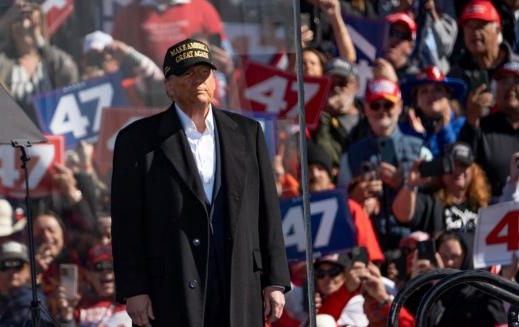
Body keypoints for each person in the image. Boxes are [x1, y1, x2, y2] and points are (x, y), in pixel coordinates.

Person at [111, 38, 290, 327]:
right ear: (168, 86)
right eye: (187, 73)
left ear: (215, 82)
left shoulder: (247, 133)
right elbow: (126, 223)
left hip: (238, 278)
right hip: (170, 285)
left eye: (204, 72)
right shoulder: (137, 141)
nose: (199, 80)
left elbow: (267, 211)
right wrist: (134, 288)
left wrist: (275, 281)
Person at [338, 79, 431, 253]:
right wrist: (356, 197)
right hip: (368, 247)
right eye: (375, 105)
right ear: (365, 108)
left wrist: (403, 185)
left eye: (388, 105)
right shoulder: (351, 154)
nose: (382, 111)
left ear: (400, 106)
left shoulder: (420, 149)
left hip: (412, 247)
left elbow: (433, 200)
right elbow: (341, 204)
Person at [393, 142, 491, 235]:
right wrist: (411, 185)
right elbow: (402, 215)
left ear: (473, 170)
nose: (458, 170)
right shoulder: (430, 200)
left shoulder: (481, 204)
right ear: (442, 168)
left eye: (463, 165)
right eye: (452, 165)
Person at [458, 61, 519, 198]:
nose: (510, 87)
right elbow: (460, 164)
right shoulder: (482, 127)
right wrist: (471, 121)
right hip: (493, 214)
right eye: (503, 81)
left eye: (516, 80)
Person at [379, 0, 458, 73]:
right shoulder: (388, 0)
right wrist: (400, 10)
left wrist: (433, 14)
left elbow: (447, 46)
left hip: (436, 73)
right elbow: (380, 42)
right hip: (399, 74)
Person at [312, 58, 368, 170]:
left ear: (356, 86)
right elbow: (327, 159)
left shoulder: (371, 114)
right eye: (331, 84)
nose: (336, 88)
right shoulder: (317, 120)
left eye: (343, 83)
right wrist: (325, 114)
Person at [399, 66, 467, 156]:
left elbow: (457, 161)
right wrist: (418, 136)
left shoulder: (463, 125)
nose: (431, 95)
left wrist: (444, 130)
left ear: (448, 95)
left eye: (438, 89)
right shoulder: (403, 129)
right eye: (424, 91)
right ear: (416, 100)